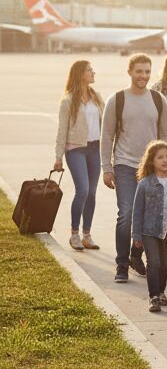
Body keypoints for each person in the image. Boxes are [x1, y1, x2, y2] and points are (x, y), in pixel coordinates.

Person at [100, 53, 167, 283]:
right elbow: (106, 135)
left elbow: (166, 132)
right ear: (130, 72)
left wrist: (164, 159)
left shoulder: (158, 99)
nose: (143, 76)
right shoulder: (117, 99)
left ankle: (135, 254)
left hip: (151, 169)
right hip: (124, 165)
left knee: (148, 217)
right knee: (127, 214)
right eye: (139, 71)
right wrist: (106, 167)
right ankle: (122, 264)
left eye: (147, 71)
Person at [53, 59, 103, 252]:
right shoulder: (68, 100)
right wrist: (58, 157)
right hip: (75, 149)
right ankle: (74, 234)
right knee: (82, 189)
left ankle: (87, 235)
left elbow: (108, 121)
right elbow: (61, 130)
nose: (93, 73)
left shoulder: (96, 97)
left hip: (94, 148)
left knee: (92, 193)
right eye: (90, 70)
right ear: (80, 73)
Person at [131, 140, 167, 313]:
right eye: (160, 157)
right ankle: (153, 296)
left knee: (165, 264)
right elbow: (137, 211)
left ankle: (161, 292)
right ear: (151, 161)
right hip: (149, 230)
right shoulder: (145, 184)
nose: (165, 160)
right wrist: (136, 235)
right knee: (154, 262)